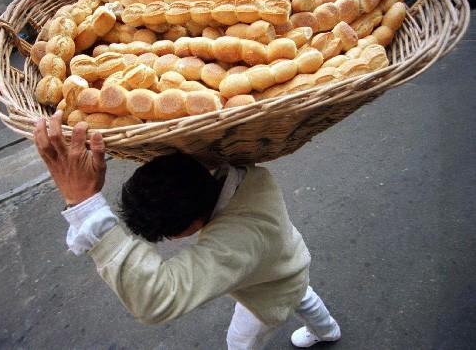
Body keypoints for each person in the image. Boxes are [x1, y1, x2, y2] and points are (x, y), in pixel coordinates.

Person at [33, 110, 341, 349]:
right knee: (303, 294)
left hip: (269, 288)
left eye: (169, 236)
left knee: (240, 341)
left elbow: (157, 297)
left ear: (194, 224)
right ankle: (327, 330)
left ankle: (325, 330)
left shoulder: (235, 241)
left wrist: (85, 204)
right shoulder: (244, 172)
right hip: (289, 259)